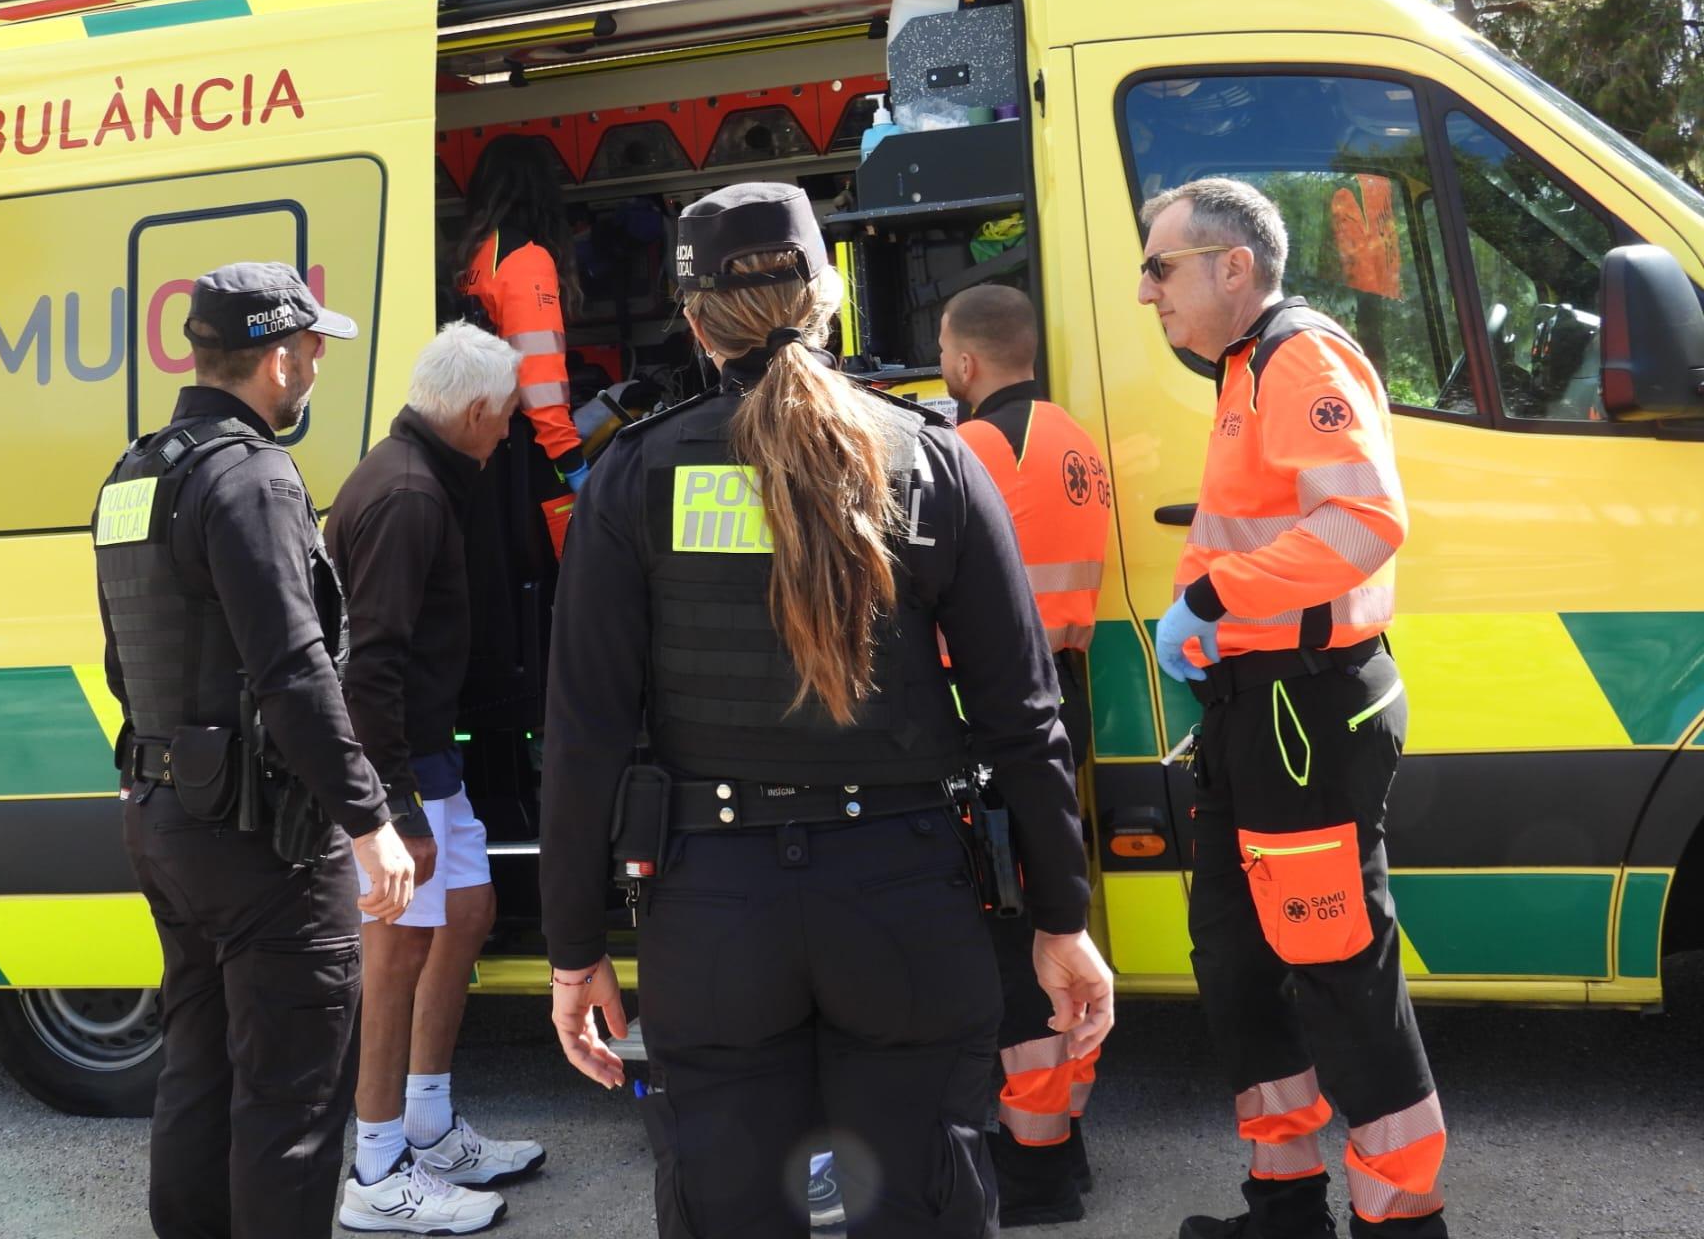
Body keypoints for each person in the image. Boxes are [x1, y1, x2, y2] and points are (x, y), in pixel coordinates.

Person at [540, 182, 1114, 1239]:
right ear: (831, 295)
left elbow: (581, 734)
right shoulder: (931, 457)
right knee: (921, 1207)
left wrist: (573, 949)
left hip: (710, 908)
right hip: (901, 897)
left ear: (692, 316)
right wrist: (1061, 921)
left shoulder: (629, 475)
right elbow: (1021, 718)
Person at [1137, 180, 1447, 1239]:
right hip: (1250, 707)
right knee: (1236, 962)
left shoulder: (1294, 356)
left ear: (1231, 266)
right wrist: (1209, 625)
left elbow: (1364, 519)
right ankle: (1282, 1207)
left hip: (1301, 712)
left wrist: (1213, 601)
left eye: (1159, 266)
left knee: (1330, 972)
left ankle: (1401, 1222)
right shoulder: (1243, 366)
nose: (1144, 292)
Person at [93, 262, 417, 1239]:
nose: (319, 360)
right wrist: (369, 822)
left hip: (164, 820)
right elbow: (293, 671)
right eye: (314, 345)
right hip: (264, 839)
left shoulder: (134, 473)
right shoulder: (254, 476)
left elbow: (123, 660)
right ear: (278, 359)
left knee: (198, 1069)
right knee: (292, 1105)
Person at [324, 322, 545, 1234]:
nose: (510, 435)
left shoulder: (417, 476)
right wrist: (396, 811)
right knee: (397, 952)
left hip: (426, 754)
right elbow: (368, 669)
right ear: (475, 411)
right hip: (402, 766)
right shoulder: (411, 496)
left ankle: (427, 1122)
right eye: (506, 419)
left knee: (468, 912)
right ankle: (377, 1173)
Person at [939, 283, 1112, 1226]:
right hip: (1060, 702)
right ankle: (1068, 1138)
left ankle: (1038, 1168)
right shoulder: (1077, 437)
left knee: (1015, 944)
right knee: (1062, 913)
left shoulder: (969, 449)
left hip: (986, 716)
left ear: (963, 362)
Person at [453, 134, 589, 494]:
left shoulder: (475, 257)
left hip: (481, 446)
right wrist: (571, 461)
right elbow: (538, 378)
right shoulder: (526, 260)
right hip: (526, 454)